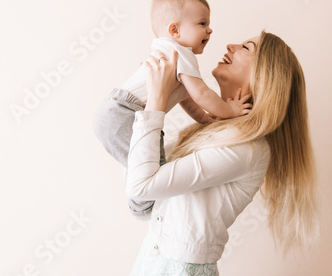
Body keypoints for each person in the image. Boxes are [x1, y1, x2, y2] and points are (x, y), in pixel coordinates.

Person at [93, 30, 320, 275]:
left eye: (246, 48)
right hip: (150, 263)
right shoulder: (208, 132)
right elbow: (140, 203)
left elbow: (142, 185)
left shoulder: (246, 148)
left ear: (264, 76)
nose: (231, 45)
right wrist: (149, 97)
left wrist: (157, 99)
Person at [93, 0, 249, 218]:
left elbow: (185, 99)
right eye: (202, 23)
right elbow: (202, 94)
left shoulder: (169, 52)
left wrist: (204, 119)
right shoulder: (180, 53)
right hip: (125, 112)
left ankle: (144, 206)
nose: (210, 29)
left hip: (115, 111)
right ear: (174, 30)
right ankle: (144, 209)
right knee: (152, 167)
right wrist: (230, 110)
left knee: (140, 161)